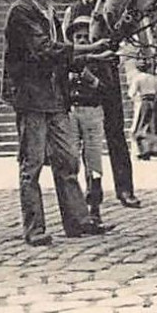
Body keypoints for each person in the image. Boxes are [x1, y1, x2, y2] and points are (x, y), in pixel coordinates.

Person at [1, 0, 113, 247]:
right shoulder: (22, 12)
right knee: (32, 165)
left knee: (67, 160)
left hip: (55, 97)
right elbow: (45, 51)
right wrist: (89, 49)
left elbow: (62, 56)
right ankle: (34, 229)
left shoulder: (49, 11)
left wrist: (96, 55)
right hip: (31, 99)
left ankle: (78, 221)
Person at [62, 0, 140, 208]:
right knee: (82, 135)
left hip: (106, 72)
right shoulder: (71, 11)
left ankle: (125, 189)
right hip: (80, 76)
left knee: (115, 131)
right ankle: (91, 188)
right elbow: (67, 45)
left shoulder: (108, 2)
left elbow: (126, 31)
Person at [64, 17, 110, 225]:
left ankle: (95, 207)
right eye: (78, 37)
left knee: (94, 162)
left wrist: (90, 78)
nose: (82, 41)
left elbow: (108, 90)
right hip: (72, 111)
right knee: (71, 159)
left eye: (86, 37)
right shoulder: (66, 61)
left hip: (92, 111)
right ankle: (75, 208)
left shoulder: (99, 61)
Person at [126, 48, 157, 159]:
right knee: (151, 126)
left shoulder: (137, 78)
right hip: (153, 102)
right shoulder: (154, 78)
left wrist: (135, 99)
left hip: (143, 102)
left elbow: (131, 93)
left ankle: (142, 152)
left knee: (138, 127)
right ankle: (150, 150)